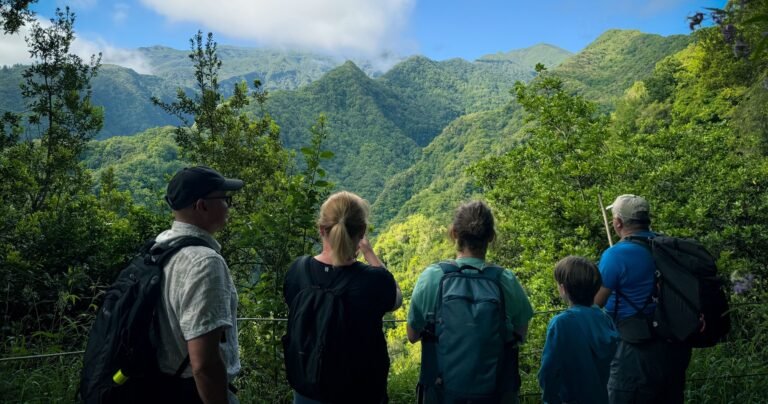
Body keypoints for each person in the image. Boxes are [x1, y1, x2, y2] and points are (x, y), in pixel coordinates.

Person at [407, 200, 533, 404]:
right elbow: (520, 333)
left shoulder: (432, 277)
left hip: (442, 394)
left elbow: (412, 335)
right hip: (496, 395)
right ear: (491, 237)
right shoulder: (505, 280)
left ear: (454, 233)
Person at [283, 191, 403, 404]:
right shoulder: (374, 280)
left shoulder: (298, 271)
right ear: (362, 232)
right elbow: (396, 299)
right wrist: (369, 254)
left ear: (321, 229)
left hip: (307, 391)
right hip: (360, 393)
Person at [154, 165, 244, 404]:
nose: (228, 206)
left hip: (161, 385)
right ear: (202, 205)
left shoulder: (160, 247)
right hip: (193, 392)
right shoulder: (205, 263)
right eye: (225, 199)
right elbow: (204, 364)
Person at [594, 194, 692, 404]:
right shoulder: (667, 246)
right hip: (675, 346)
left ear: (617, 222)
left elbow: (595, 303)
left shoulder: (616, 255)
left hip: (635, 350)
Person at [538, 256, 619, 404]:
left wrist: (550, 400)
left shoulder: (561, 323)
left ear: (563, 289)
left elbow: (548, 372)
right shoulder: (605, 319)